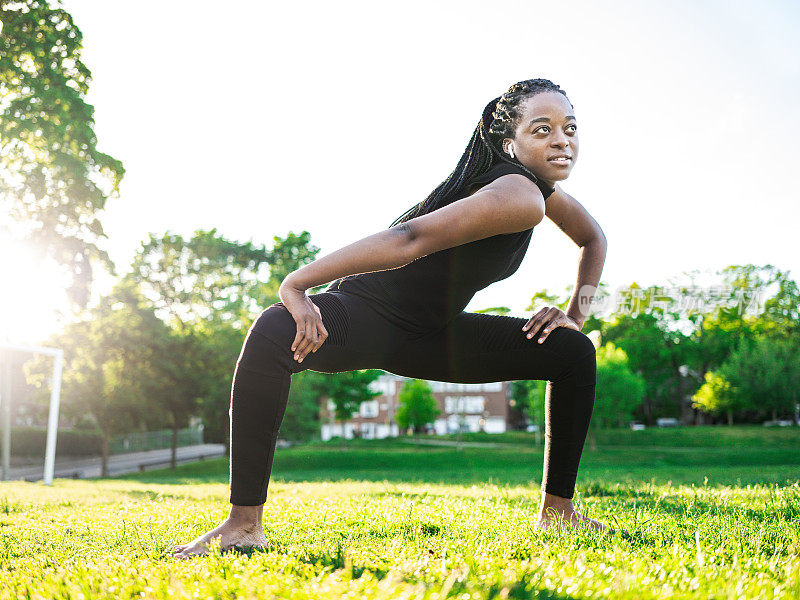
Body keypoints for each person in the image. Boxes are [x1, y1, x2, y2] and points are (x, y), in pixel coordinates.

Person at [173, 78, 615, 559]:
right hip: (370, 316)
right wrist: (297, 283)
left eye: (570, 128)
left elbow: (594, 239)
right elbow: (408, 240)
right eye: (542, 129)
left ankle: (558, 513)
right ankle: (242, 524)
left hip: (432, 334)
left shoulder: (539, 194)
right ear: (509, 142)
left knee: (572, 350)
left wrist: (574, 315)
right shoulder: (518, 194)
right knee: (275, 330)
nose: (562, 140)